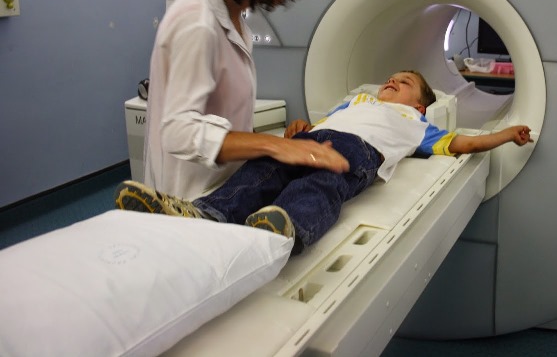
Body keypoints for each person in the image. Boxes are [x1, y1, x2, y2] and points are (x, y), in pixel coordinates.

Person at [116, 70, 534, 254]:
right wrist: (300, 129)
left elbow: (461, 143)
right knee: (263, 167)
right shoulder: (356, 100)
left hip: (358, 150)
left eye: (404, 82)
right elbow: (324, 123)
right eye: (390, 78)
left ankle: (291, 226)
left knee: (321, 184)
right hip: (315, 138)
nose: (392, 82)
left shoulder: (415, 123)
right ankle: (208, 211)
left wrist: (503, 134)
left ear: (421, 105)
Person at [142, 0, 348, 201]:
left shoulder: (234, 17)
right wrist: (275, 145)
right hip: (189, 196)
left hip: (224, 186)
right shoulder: (198, 22)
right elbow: (178, 131)